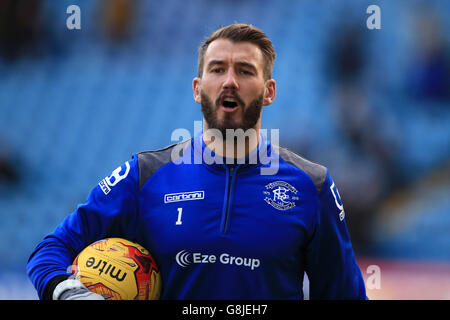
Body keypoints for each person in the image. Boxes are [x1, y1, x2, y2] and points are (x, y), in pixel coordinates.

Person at [27, 23, 367, 300]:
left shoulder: (312, 185)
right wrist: (67, 291)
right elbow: (52, 248)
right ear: (197, 87)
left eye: (246, 71)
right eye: (217, 69)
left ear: (269, 91)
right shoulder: (145, 175)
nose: (230, 81)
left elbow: (344, 295)